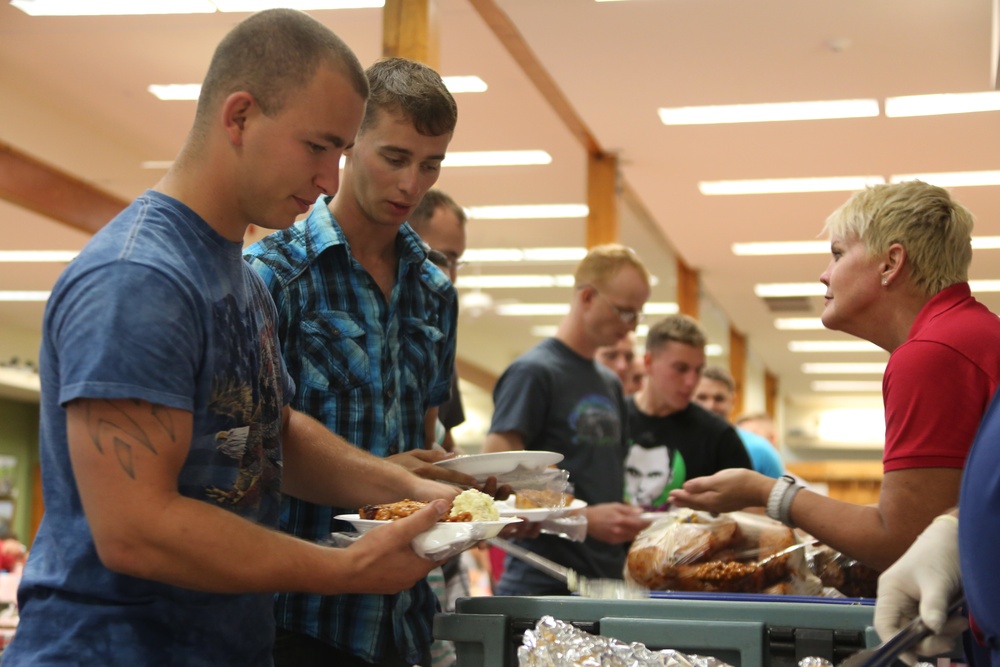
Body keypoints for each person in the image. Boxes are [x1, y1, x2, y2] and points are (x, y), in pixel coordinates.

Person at [2, 11, 462, 666]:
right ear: (240, 117)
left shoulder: (237, 278)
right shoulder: (139, 278)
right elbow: (137, 529)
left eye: (339, 154)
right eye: (317, 147)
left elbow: (265, 436)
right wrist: (342, 568)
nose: (332, 179)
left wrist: (410, 488)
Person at [244, 57, 462, 667]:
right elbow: (252, 452)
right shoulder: (274, 276)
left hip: (406, 615)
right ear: (349, 142)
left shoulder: (435, 292)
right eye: (394, 158)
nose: (411, 185)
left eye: (430, 164)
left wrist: (468, 491)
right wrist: (386, 479)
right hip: (300, 615)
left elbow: (423, 442)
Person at [670, 180, 1000, 572]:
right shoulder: (967, 335)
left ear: (891, 263)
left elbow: (900, 541)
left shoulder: (932, 353)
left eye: (837, 254)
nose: (825, 275)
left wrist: (767, 491)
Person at [483, 244, 653, 596]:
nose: (631, 325)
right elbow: (496, 473)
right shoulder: (534, 372)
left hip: (600, 579)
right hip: (542, 581)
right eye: (624, 312)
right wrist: (582, 518)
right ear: (588, 297)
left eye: (638, 313)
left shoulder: (608, 382)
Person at [625, 316, 752, 511]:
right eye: (681, 369)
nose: (691, 381)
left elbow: (749, 511)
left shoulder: (718, 435)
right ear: (648, 362)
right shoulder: (613, 420)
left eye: (698, 370)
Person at [408, 188, 468, 453]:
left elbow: (443, 445)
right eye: (443, 258)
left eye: (456, 261)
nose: (450, 277)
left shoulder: (438, 336)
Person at [693, 365, 785, 479]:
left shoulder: (760, 450)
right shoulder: (677, 444)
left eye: (719, 399)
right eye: (702, 397)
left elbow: (775, 495)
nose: (710, 406)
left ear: (733, 401)